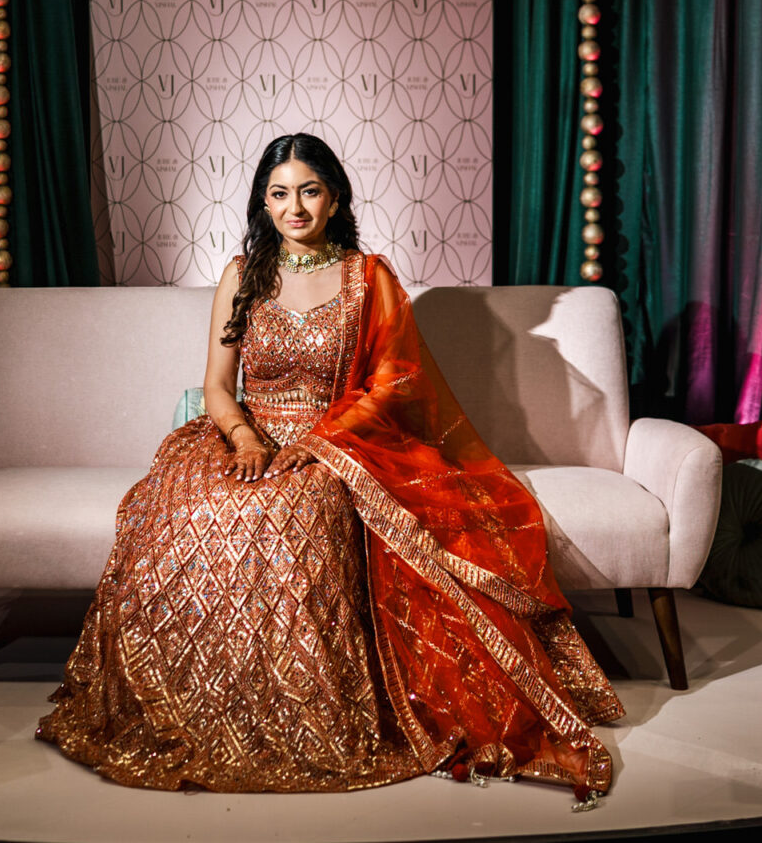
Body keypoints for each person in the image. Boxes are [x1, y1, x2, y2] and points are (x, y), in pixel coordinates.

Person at [37, 133, 621, 806]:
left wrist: (320, 442)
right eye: (280, 193)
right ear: (263, 202)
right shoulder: (241, 275)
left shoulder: (367, 277)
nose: (295, 207)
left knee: (303, 507)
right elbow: (219, 386)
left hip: (343, 440)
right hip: (245, 435)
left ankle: (307, 706)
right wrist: (245, 439)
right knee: (194, 509)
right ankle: (209, 699)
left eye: (309, 191)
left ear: (334, 197)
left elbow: (394, 383)